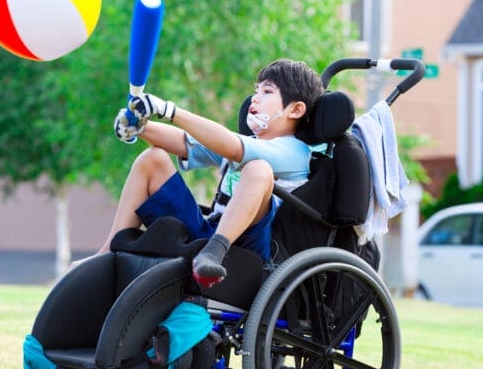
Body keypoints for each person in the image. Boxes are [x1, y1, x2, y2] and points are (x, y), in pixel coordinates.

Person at [95, 58, 324, 288]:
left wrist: (168, 111)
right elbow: (186, 143)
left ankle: (215, 250)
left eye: (267, 91)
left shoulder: (295, 152)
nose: (255, 98)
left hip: (250, 247)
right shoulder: (245, 143)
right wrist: (140, 127)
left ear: (295, 109)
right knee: (152, 159)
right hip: (208, 230)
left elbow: (232, 146)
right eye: (256, 90)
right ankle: (105, 256)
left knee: (259, 168)